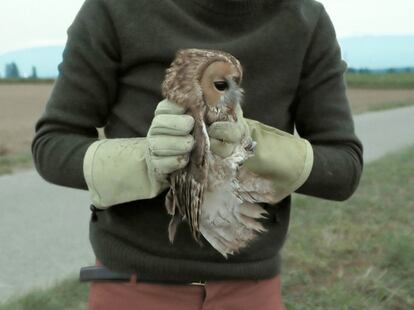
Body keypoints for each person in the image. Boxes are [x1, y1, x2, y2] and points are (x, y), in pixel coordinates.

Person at [31, 0, 363, 309]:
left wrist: (254, 149)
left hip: (251, 290)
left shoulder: (304, 18)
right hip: (133, 287)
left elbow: (344, 168)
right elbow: (53, 144)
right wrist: (145, 161)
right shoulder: (115, 8)